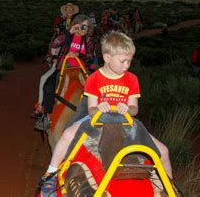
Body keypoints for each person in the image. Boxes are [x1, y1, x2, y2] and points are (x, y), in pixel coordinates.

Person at [41, 31, 173, 194]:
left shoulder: (132, 79)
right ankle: (51, 173)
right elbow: (91, 108)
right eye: (123, 61)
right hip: (97, 119)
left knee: (164, 151)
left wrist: (127, 109)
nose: (127, 65)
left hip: (125, 121)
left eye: (129, 61)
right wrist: (99, 108)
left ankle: (168, 186)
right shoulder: (94, 78)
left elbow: (134, 108)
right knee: (67, 135)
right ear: (107, 57)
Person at [35, 14, 96, 123]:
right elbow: (54, 44)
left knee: (99, 88)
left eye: (85, 26)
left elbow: (90, 57)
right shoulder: (66, 36)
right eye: (80, 26)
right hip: (63, 68)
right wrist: (69, 32)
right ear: (75, 25)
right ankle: (46, 116)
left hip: (81, 69)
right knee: (49, 86)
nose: (83, 29)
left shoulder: (88, 40)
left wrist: (78, 54)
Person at [47, 2, 80, 68]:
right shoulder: (62, 22)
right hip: (63, 41)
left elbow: (80, 30)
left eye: (71, 9)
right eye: (67, 9)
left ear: (73, 11)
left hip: (74, 41)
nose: (69, 11)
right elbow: (59, 35)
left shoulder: (77, 21)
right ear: (65, 12)